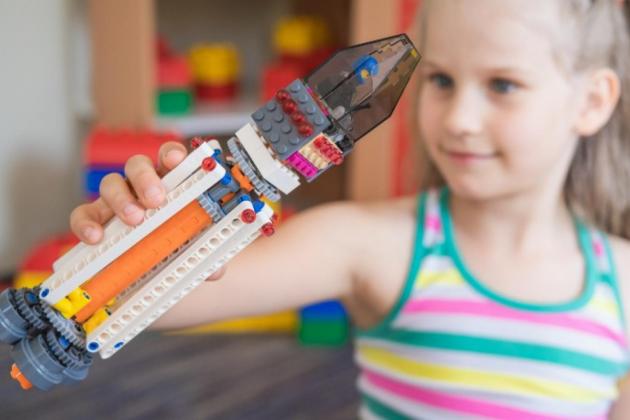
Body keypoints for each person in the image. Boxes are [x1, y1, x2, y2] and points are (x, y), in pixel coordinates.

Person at [69, 0, 630, 418]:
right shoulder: (375, 245)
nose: (459, 119)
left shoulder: (624, 285)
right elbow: (138, 303)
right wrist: (128, 230)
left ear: (592, 100)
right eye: (440, 79)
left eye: (503, 85)